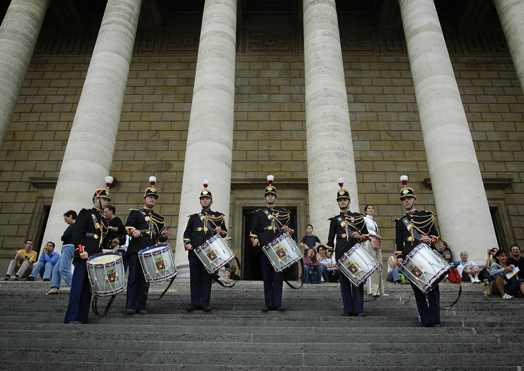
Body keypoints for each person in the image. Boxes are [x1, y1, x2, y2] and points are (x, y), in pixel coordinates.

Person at [395, 175, 441, 327]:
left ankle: (435, 318)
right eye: (404, 199)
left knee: (432, 287)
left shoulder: (426, 216)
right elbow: (398, 244)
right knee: (417, 289)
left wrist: (431, 239)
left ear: (415, 199)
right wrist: (400, 257)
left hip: (426, 254)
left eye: (409, 198)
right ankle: (425, 318)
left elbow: (435, 235)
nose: (406, 201)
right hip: (410, 256)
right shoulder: (401, 222)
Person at [64, 188, 111, 324]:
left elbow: (103, 239)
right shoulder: (86, 213)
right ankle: (72, 316)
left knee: (88, 289)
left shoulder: (102, 219)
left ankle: (82, 316)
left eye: (107, 200)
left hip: (95, 258)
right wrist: (81, 250)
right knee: (78, 286)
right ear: (96, 200)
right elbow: (77, 233)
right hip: (84, 255)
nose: (106, 202)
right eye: (104, 199)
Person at [125, 177, 169, 315]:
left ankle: (141, 306)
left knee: (145, 280)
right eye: (150, 197)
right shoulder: (136, 213)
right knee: (133, 279)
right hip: (136, 250)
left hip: (150, 253)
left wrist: (164, 236)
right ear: (144, 199)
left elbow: (159, 237)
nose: (152, 200)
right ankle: (130, 306)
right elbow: (127, 227)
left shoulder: (159, 218)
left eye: (154, 198)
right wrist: (133, 231)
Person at [250, 175, 293, 312]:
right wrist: (254, 240)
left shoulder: (284, 213)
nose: (270, 197)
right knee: (267, 277)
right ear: (265, 198)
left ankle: (278, 303)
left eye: (272, 195)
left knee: (278, 276)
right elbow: (253, 231)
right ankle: (268, 303)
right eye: (268, 195)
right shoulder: (259, 213)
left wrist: (287, 230)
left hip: (279, 249)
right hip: (265, 248)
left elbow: (291, 230)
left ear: (275, 198)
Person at [327, 180, 369, 317]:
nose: (343, 202)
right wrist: (329, 250)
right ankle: (348, 309)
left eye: (345, 200)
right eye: (340, 200)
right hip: (340, 250)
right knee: (344, 282)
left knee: (357, 280)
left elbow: (366, 235)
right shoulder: (334, 220)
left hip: (355, 251)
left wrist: (360, 236)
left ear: (349, 201)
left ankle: (359, 308)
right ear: (338, 203)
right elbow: (330, 239)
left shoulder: (358, 217)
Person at [183, 183, 227, 312]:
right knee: (195, 278)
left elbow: (224, 233)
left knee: (207, 278)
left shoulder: (218, 216)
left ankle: (205, 302)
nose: (205, 200)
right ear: (200, 201)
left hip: (210, 253)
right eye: (202, 199)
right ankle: (195, 302)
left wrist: (220, 231)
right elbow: (186, 235)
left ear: (211, 201)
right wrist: (188, 244)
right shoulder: (193, 218)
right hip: (195, 252)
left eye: (207, 199)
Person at [47, 210, 77, 295]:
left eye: (65, 218)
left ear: (70, 216)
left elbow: (64, 237)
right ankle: (54, 287)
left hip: (68, 247)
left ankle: (74, 285)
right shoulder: (74, 226)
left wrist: (63, 236)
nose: (65, 220)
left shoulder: (73, 226)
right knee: (56, 269)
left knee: (63, 268)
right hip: (67, 248)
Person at [363, 204, 386, 296]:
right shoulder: (364, 219)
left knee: (379, 265)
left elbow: (376, 232)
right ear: (365, 211)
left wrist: (378, 236)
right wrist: (375, 236)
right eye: (369, 208)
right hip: (369, 241)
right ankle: (372, 289)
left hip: (376, 243)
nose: (371, 209)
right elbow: (365, 232)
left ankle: (380, 290)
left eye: (372, 208)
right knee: (372, 266)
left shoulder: (374, 222)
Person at [104, 204, 127, 270]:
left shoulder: (116, 220)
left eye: (106, 212)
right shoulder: (106, 221)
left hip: (114, 247)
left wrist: (109, 227)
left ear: (111, 211)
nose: (104, 214)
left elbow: (121, 229)